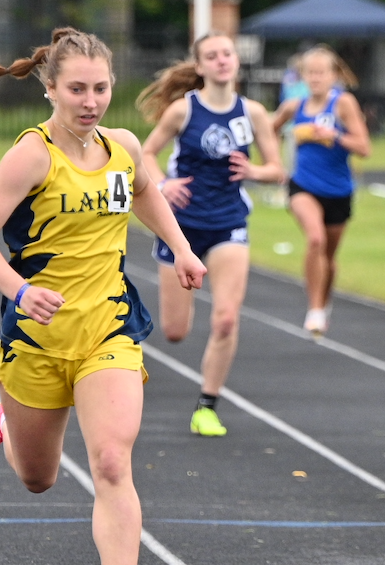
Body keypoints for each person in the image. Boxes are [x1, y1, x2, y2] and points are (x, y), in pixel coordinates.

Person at [0, 27, 206, 565]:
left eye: (100, 88)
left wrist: (180, 248)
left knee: (112, 462)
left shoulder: (122, 146)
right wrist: (19, 290)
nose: (90, 101)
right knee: (37, 478)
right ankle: (6, 426)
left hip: (108, 331)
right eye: (77, 89)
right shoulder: (32, 156)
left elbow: (147, 195)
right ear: (50, 89)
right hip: (37, 339)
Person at [136, 31, 284, 437]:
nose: (222, 61)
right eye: (212, 55)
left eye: (227, 54)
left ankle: (207, 406)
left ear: (236, 61)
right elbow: (145, 153)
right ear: (199, 66)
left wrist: (255, 172)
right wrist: (165, 183)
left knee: (224, 320)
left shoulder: (252, 112)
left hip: (229, 224)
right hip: (181, 228)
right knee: (175, 331)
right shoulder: (183, 111)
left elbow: (277, 169)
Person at [272, 45, 370, 337]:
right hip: (303, 185)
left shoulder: (343, 104)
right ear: (302, 76)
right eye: (310, 73)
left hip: (339, 190)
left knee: (329, 257)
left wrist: (335, 135)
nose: (315, 79)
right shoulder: (294, 107)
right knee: (315, 239)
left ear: (333, 75)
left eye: (321, 73)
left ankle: (323, 303)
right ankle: (314, 310)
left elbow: (364, 147)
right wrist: (275, 163)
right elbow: (269, 129)